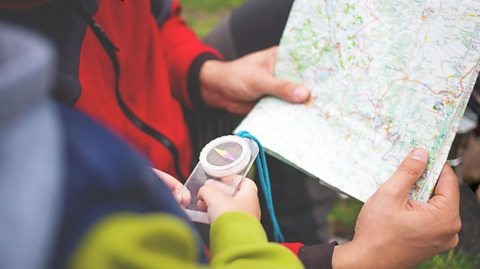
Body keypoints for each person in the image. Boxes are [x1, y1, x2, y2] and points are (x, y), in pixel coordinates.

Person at [0, 22, 462, 269]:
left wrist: (206, 75)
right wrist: (360, 260)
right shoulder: (71, 214)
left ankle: (308, 233)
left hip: (186, 156)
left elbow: (159, 18)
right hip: (184, 222)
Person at [0, 0, 329, 243]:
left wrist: (206, 76)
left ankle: (299, 229)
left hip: (180, 132)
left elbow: (159, 19)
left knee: (286, 17)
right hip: (140, 210)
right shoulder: (16, 92)